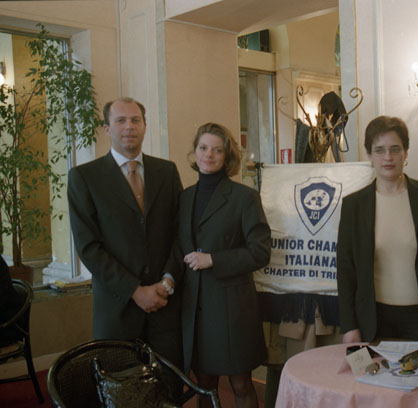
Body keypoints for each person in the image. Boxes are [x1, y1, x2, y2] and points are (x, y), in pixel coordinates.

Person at [68, 97, 183, 367]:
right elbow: (88, 248)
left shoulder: (167, 171)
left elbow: (181, 234)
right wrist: (135, 291)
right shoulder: (84, 177)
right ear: (107, 129)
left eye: (135, 120)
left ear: (145, 126)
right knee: (121, 386)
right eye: (120, 120)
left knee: (169, 384)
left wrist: (167, 281)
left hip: (165, 306)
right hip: (117, 310)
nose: (129, 126)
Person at [337, 116, 418, 344]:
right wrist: (349, 325)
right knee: (372, 368)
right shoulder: (354, 205)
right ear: (369, 155)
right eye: (379, 150)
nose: (388, 157)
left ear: (405, 152)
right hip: (373, 319)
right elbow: (345, 270)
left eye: (395, 149)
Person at [179, 123, 270, 408]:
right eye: (203, 148)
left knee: (241, 384)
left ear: (227, 156)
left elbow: (260, 252)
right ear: (195, 152)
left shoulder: (245, 197)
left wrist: (213, 259)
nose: (209, 155)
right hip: (195, 309)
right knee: (204, 386)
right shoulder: (184, 198)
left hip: (232, 310)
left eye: (217, 150)